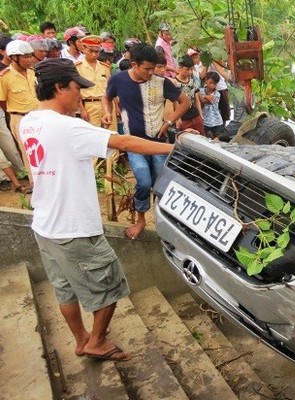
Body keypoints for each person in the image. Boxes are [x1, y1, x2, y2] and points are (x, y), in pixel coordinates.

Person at [20, 57, 176, 361]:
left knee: (64, 288)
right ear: (59, 87)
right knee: (110, 286)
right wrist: (175, 147)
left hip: (44, 225)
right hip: (74, 228)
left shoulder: (29, 121)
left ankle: (81, 340)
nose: (80, 95)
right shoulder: (69, 127)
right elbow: (126, 142)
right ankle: (97, 340)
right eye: (76, 88)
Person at [102, 43, 189, 240]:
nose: (151, 73)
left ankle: (166, 219)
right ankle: (140, 219)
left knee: (161, 182)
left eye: (154, 68)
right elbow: (106, 98)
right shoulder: (118, 80)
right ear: (134, 64)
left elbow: (185, 102)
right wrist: (107, 113)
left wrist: (169, 121)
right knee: (143, 181)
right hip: (133, 143)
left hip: (158, 143)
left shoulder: (163, 83)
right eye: (147, 68)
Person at [0, 40, 38, 186]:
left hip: (37, 116)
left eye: (30, 56)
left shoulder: (31, 72)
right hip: (20, 118)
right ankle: (34, 184)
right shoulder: (4, 77)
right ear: (14, 58)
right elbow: (2, 101)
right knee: (28, 153)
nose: (30, 60)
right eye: (26, 57)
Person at [75, 35, 113, 127]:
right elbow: (76, 91)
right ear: (84, 49)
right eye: (91, 51)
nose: (94, 54)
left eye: (97, 51)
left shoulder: (104, 67)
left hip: (106, 105)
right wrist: (82, 110)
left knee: (109, 135)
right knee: (92, 134)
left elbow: (110, 87)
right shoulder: (77, 67)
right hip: (89, 105)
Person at [172, 55, 204, 134]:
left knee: (202, 138)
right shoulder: (174, 83)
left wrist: (200, 115)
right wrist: (177, 118)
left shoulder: (192, 81)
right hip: (184, 119)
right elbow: (175, 103)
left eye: (191, 69)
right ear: (179, 68)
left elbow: (197, 100)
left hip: (196, 117)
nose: (190, 72)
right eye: (187, 69)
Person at [200, 71, 224, 139]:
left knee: (217, 139)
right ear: (206, 81)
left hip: (216, 121)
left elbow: (205, 100)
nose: (212, 85)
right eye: (210, 82)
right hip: (205, 120)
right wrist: (207, 96)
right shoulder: (200, 91)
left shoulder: (217, 94)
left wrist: (204, 96)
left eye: (214, 84)